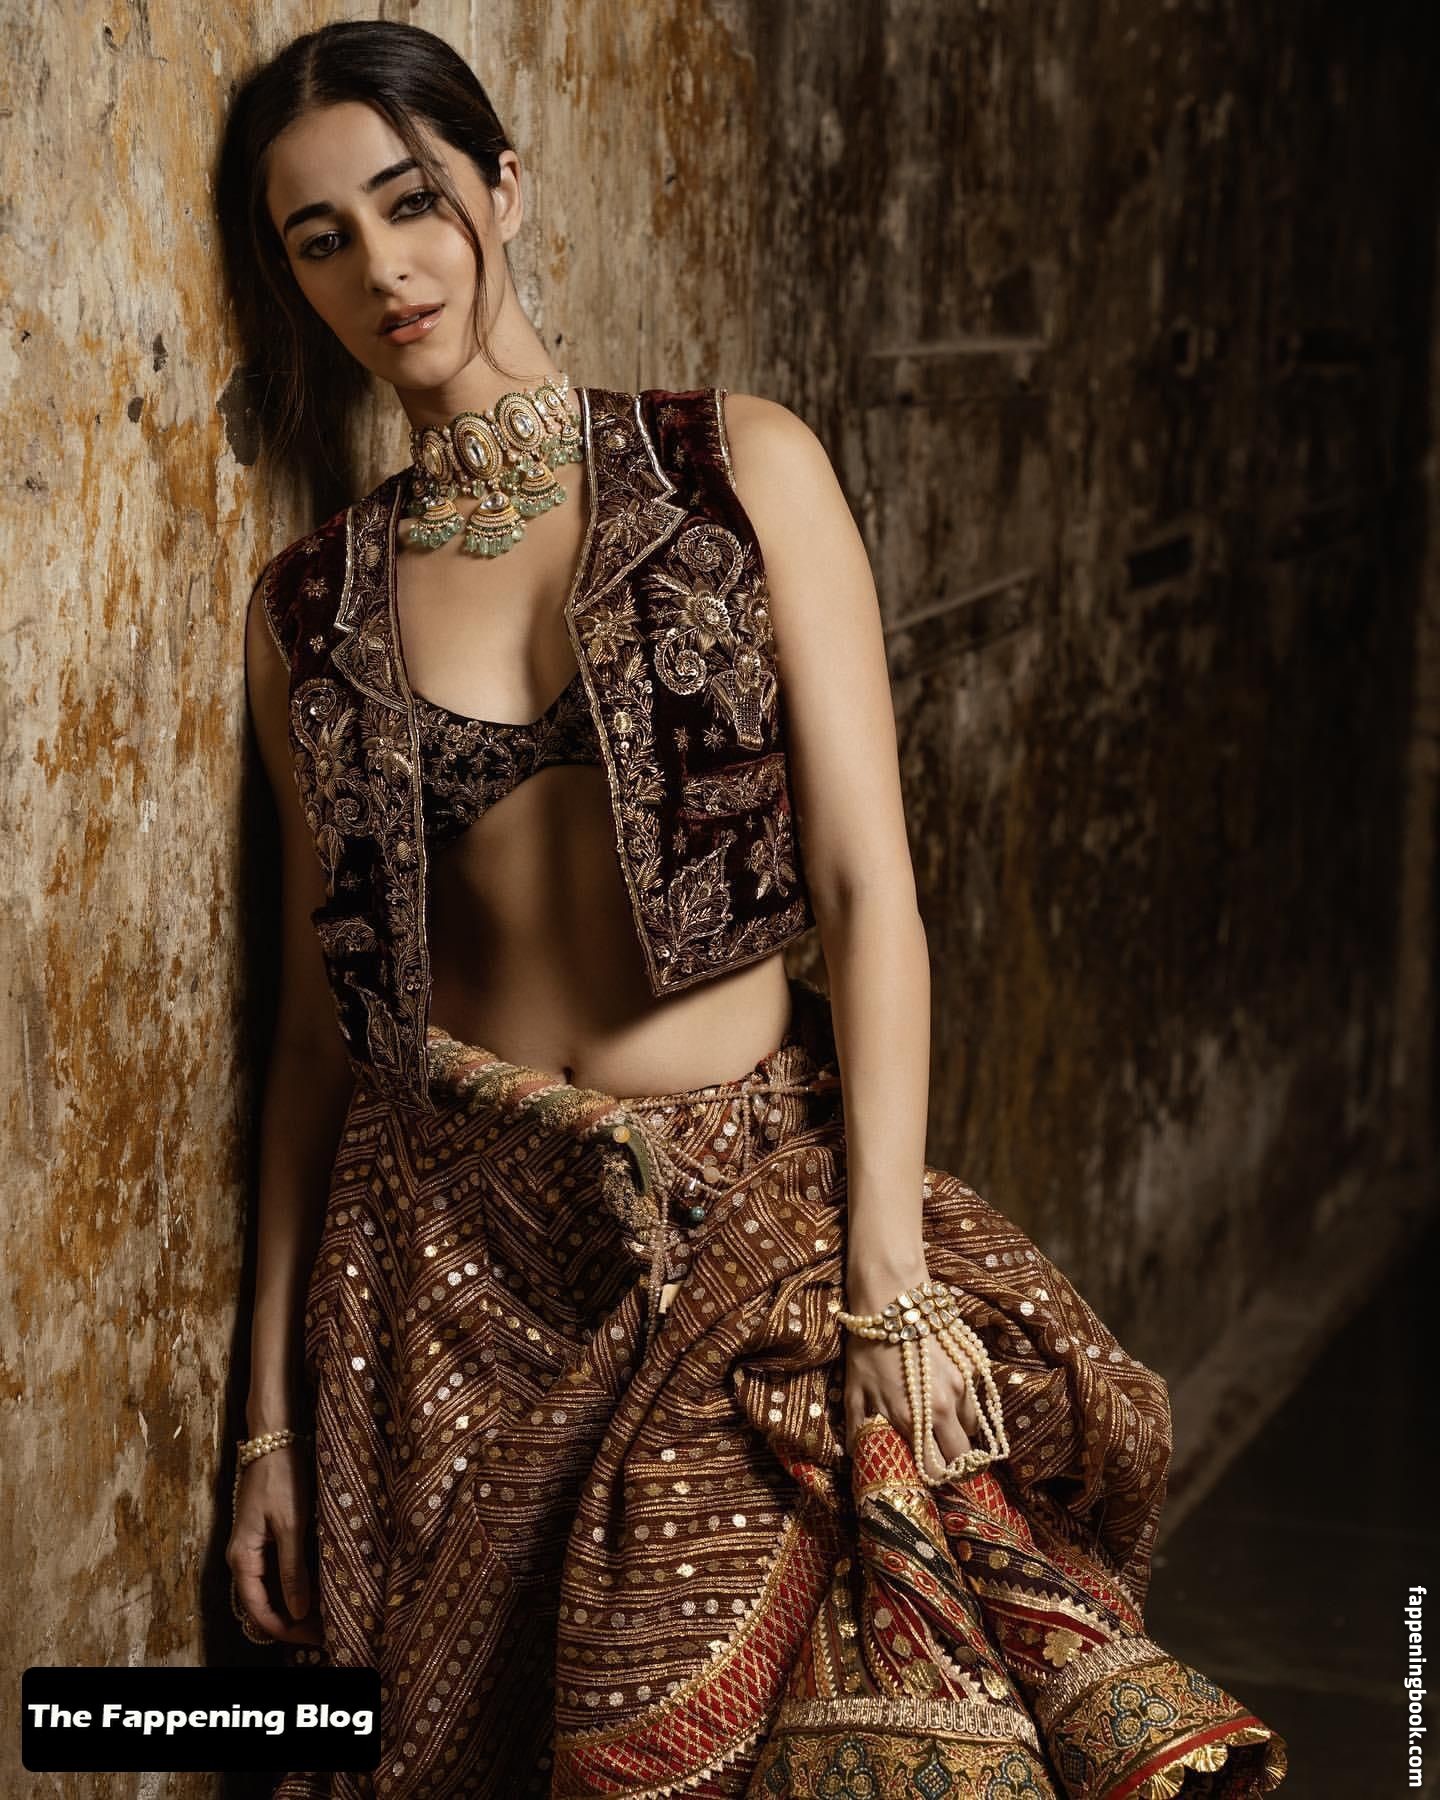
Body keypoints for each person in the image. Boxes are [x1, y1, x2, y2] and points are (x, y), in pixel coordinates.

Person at [217, 20, 1288, 1798]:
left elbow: (870, 892)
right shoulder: (307, 605)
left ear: (504, 188)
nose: (381, 267)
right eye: (318, 238)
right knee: (435, 1751)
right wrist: (267, 1421)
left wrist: (885, 1274)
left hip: (746, 1217)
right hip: (442, 1275)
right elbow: (320, 1041)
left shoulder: (737, 468)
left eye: (412, 201)